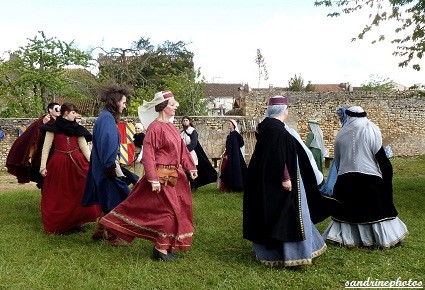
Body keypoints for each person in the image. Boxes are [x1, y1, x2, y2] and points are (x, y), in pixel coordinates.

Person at [99, 90, 198, 261]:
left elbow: (181, 150)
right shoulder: (155, 128)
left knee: (172, 209)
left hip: (174, 175)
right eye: (173, 104)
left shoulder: (171, 127)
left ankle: (163, 245)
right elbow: (149, 154)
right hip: (161, 175)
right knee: (170, 212)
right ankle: (161, 250)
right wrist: (152, 178)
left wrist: (190, 167)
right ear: (164, 107)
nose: (177, 107)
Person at [243, 96, 338, 267]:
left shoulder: (268, 127)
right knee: (288, 215)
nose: (288, 111)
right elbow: (278, 156)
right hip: (282, 182)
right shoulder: (276, 130)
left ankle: (286, 250)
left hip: (270, 181)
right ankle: (291, 254)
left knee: (279, 214)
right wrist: (286, 177)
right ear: (283, 111)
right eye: (287, 108)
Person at [322, 106, 408, 248]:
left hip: (346, 181)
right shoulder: (371, 129)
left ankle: (349, 238)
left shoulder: (341, 134)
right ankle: (377, 238)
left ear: (347, 116)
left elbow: (337, 161)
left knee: (349, 207)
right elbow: (382, 160)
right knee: (375, 202)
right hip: (370, 180)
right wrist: (386, 184)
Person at [39, 103, 101, 234]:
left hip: (76, 162)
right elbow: (46, 148)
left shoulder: (77, 128)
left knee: (79, 190)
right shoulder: (53, 127)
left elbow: (84, 148)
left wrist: (93, 163)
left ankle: (76, 221)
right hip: (59, 163)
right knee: (60, 194)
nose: (76, 115)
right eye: (73, 112)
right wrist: (43, 166)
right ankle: (61, 224)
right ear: (66, 112)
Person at [82, 84, 132, 241]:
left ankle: (99, 231)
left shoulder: (105, 117)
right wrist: (111, 166)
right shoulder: (107, 119)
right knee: (115, 200)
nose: (125, 105)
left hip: (103, 166)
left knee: (109, 199)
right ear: (116, 101)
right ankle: (113, 237)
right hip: (107, 167)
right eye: (123, 102)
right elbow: (109, 143)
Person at [6, 102, 61, 188]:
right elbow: (33, 134)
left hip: (56, 151)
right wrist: (43, 123)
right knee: (44, 178)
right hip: (43, 153)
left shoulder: (60, 121)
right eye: (57, 108)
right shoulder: (42, 120)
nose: (59, 111)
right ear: (50, 110)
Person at [180, 116, 217, 191]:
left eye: (186, 120)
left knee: (193, 168)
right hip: (185, 152)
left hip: (192, 152)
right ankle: (188, 185)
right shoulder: (182, 132)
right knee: (186, 169)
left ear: (189, 121)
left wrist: (187, 151)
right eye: (184, 120)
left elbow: (194, 143)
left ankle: (194, 185)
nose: (185, 121)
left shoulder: (193, 131)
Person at [320, 107, 347, 197]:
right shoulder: (344, 126)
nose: (339, 117)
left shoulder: (348, 127)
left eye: (340, 115)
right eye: (338, 115)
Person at [217, 119, 247, 192]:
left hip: (235, 156)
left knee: (235, 170)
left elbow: (241, 143)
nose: (228, 125)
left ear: (233, 125)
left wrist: (233, 153)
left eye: (229, 124)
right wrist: (227, 153)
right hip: (231, 155)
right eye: (227, 124)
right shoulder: (230, 134)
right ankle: (231, 186)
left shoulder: (235, 134)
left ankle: (236, 187)